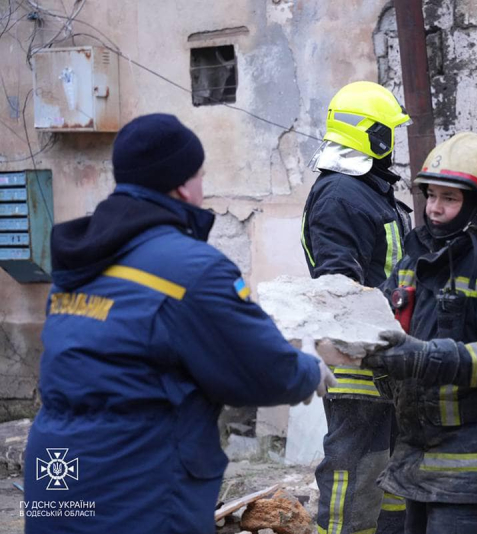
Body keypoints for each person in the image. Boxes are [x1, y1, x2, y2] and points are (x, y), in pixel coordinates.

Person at [23, 114, 334, 534]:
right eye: (200, 175)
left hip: (55, 469)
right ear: (183, 184)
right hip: (135, 480)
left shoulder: (82, 258)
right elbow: (260, 368)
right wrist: (309, 371)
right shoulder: (191, 269)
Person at [363, 132, 477, 534]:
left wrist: (425, 357)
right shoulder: (415, 261)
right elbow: (379, 317)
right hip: (417, 461)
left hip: (472, 473)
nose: (435, 209)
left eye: (450, 199)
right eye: (431, 196)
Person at [301, 81, 411, 534]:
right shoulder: (339, 196)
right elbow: (339, 284)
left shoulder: (367, 191)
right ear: (375, 137)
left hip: (385, 353)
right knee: (354, 470)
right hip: (356, 359)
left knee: (390, 468)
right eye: (390, 133)